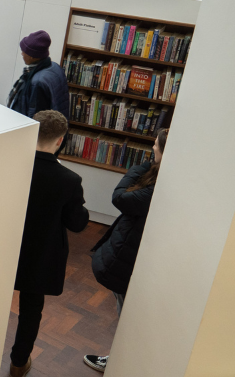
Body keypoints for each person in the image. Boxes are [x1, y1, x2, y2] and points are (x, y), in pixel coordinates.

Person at [8, 111, 89, 377]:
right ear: (60, 140)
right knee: (31, 312)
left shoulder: (10, 165)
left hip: (5, 251)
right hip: (40, 256)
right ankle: (18, 363)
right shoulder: (69, 179)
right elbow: (77, 223)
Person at [83, 128, 169, 373]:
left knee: (128, 314)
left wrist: (149, 166)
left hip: (131, 258)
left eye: (156, 146)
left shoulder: (152, 190)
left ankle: (121, 361)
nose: (152, 148)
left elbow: (120, 197)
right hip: (139, 253)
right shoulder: (163, 180)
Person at [8, 30, 70, 120]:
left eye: (24, 51)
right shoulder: (55, 67)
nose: (22, 54)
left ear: (32, 55)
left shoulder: (37, 82)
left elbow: (35, 116)